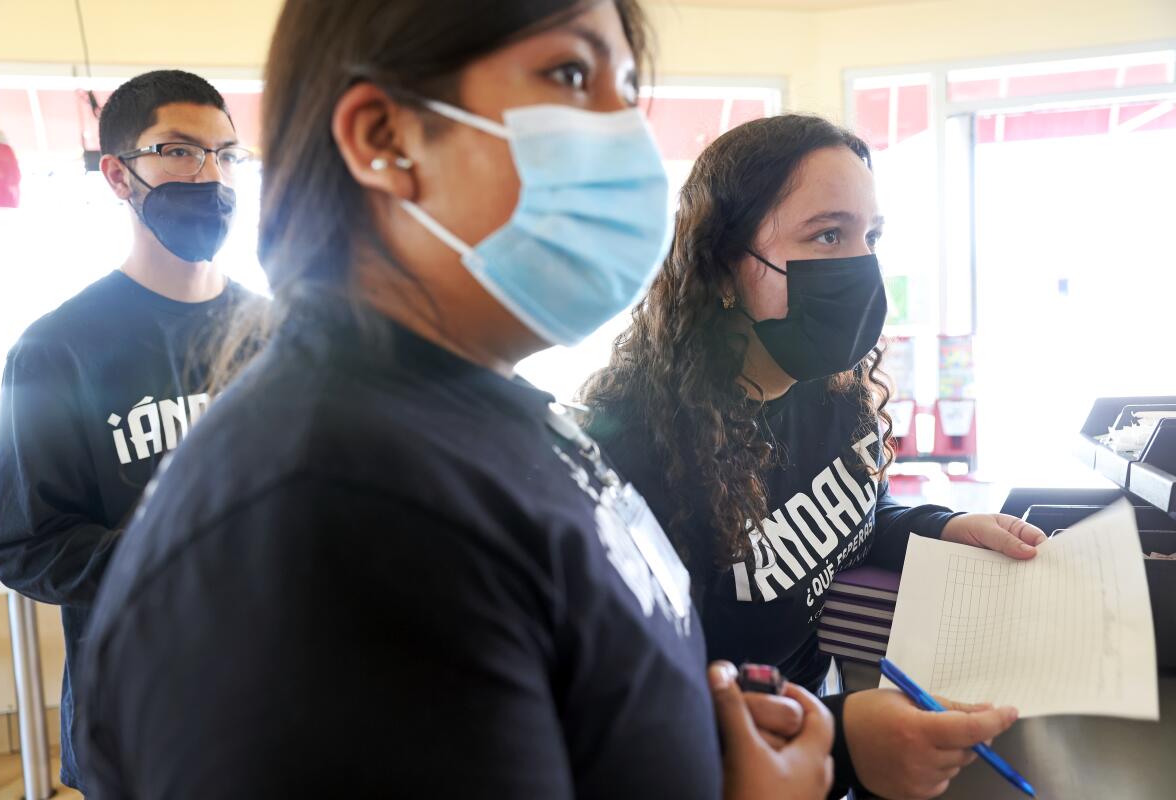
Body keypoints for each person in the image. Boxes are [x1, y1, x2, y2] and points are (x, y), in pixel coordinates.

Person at [76, 2, 837, 798]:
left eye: (629, 87)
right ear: (385, 137)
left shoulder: (489, 410)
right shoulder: (333, 517)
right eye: (571, 74)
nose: (630, 136)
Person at [581, 113, 1048, 800]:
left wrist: (937, 525)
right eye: (828, 234)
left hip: (812, 756)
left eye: (871, 236)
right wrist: (843, 740)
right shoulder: (634, 459)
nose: (861, 264)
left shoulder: (830, 389)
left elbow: (844, 518)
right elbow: (622, 718)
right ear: (723, 267)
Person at [0, 69, 255, 793]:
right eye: (178, 150)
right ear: (117, 174)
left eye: (227, 154)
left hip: (274, 700)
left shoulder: (285, 334)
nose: (211, 174)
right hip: (141, 718)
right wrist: (183, 560)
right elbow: (23, 543)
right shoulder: (56, 350)